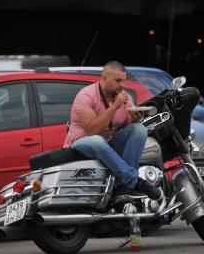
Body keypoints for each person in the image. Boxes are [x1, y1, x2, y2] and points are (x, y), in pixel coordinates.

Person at [63, 61, 161, 200]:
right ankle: (133, 181)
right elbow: (92, 130)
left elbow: (123, 128)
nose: (121, 85)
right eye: (118, 80)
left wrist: (134, 120)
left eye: (123, 81)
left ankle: (123, 187)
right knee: (97, 140)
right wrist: (114, 106)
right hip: (81, 143)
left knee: (139, 129)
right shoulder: (86, 96)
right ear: (104, 78)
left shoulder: (124, 97)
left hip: (107, 144)